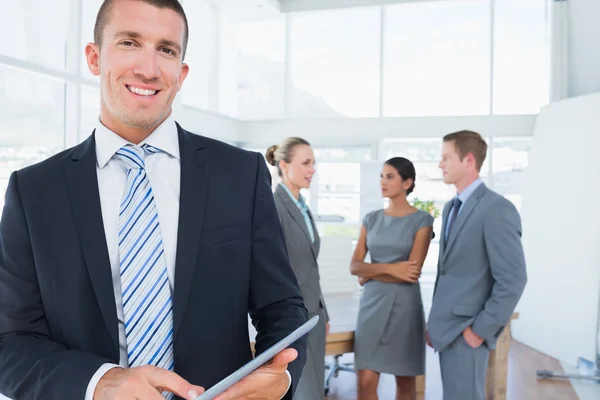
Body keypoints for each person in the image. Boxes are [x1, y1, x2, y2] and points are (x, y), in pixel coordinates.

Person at [0, 1, 308, 399]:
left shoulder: (240, 174)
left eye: (166, 49)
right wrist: (101, 382)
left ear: (181, 73)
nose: (148, 68)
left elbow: (282, 305)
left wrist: (279, 376)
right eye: (129, 42)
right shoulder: (34, 191)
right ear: (94, 57)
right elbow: (11, 342)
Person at [426, 130, 527, 400]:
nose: (440, 164)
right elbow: (449, 273)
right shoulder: (450, 208)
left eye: (446, 157)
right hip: (446, 330)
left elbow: (513, 279)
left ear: (469, 160)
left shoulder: (497, 209)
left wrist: (479, 331)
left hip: (468, 332)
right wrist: (436, 322)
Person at [350, 157, 434, 400]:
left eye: (390, 177)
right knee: (365, 380)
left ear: (407, 183)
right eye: (381, 176)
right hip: (371, 306)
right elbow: (355, 265)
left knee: (406, 382)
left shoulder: (422, 221)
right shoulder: (371, 219)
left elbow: (411, 273)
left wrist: (371, 272)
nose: (383, 182)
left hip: (404, 308)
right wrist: (391, 269)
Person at [265, 137, 330, 400]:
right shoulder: (273, 205)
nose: (312, 169)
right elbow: (272, 268)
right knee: (300, 390)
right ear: (284, 165)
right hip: (292, 317)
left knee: (315, 389)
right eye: (305, 163)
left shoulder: (303, 207)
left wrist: (322, 309)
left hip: (314, 314)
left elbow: (310, 266)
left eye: (313, 163)